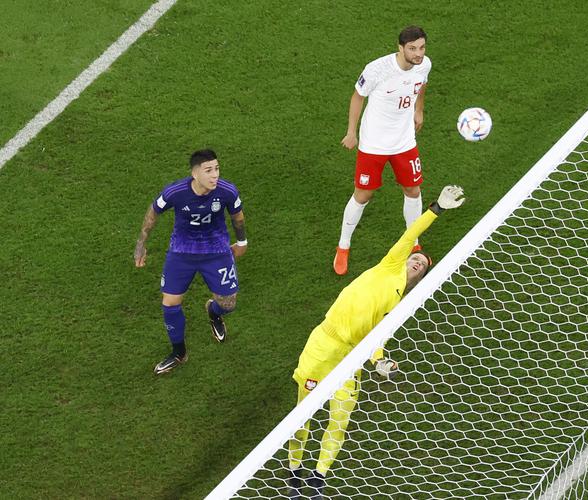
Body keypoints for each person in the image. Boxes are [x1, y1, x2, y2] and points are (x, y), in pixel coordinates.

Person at [288, 185, 465, 499]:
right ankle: (294, 470)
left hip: (349, 360)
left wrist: (379, 361)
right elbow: (408, 237)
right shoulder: (390, 267)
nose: (417, 262)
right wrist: (436, 208)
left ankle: (317, 478)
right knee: (303, 415)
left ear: (423, 276)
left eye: (422, 265)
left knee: (339, 421)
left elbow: (377, 338)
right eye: (417, 259)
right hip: (323, 346)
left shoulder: (400, 306)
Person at [134, 149, 247, 375]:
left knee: (228, 305)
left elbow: (237, 216)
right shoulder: (175, 192)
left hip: (216, 251)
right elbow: (153, 212)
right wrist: (141, 243)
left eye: (217, 169)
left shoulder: (227, 191)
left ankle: (213, 312)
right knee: (170, 304)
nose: (215, 175)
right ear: (195, 174)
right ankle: (179, 352)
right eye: (208, 170)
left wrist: (242, 241)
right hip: (182, 253)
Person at [334, 25, 432, 276]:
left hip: (404, 141)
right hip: (374, 144)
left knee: (413, 189)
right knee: (363, 194)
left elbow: (421, 85)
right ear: (400, 48)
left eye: (421, 47)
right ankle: (343, 246)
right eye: (412, 48)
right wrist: (351, 132)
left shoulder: (424, 64)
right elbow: (358, 96)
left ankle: (413, 242)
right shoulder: (377, 69)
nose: (418, 53)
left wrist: (419, 110)